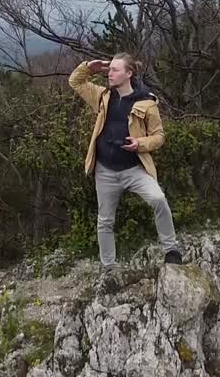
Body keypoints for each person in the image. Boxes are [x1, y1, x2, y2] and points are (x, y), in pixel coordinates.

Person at [68, 53, 182, 274]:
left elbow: (159, 136)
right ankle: (109, 267)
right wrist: (89, 67)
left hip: (134, 169)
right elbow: (75, 82)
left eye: (115, 69)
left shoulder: (146, 102)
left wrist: (140, 143)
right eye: (109, 69)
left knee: (158, 199)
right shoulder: (102, 96)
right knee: (105, 220)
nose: (110, 73)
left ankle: (171, 251)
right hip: (105, 170)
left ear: (129, 73)